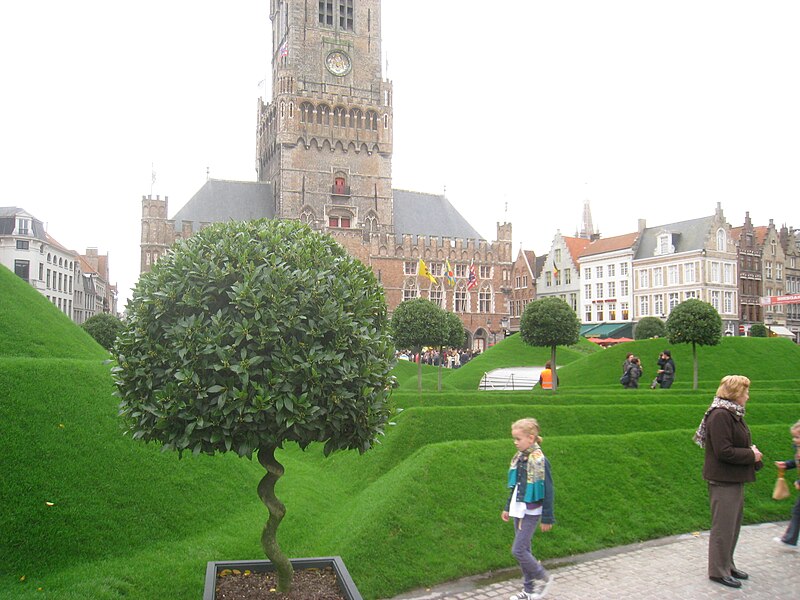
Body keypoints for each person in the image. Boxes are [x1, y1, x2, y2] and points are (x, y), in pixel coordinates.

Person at [693, 375, 763, 589]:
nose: (748, 397)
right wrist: (751, 455)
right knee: (723, 527)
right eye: (745, 392)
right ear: (735, 394)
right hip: (723, 479)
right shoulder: (721, 415)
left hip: (733, 478)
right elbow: (723, 451)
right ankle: (718, 571)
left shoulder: (732, 413)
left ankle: (727, 565)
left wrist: (752, 453)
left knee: (732, 526)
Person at [501, 418, 555, 600]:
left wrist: (547, 517)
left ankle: (543, 576)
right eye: (514, 439)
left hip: (531, 511)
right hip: (518, 508)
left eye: (518, 439)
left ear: (531, 438)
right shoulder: (520, 458)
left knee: (518, 550)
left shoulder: (540, 460)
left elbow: (548, 489)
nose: (515, 442)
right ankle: (529, 591)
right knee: (526, 551)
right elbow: (515, 486)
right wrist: (507, 507)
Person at [773, 420, 800, 551]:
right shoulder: (798, 447)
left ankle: (791, 539)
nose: (795, 440)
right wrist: (787, 464)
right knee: (797, 510)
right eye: (794, 437)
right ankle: (790, 539)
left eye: (797, 437)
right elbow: (798, 461)